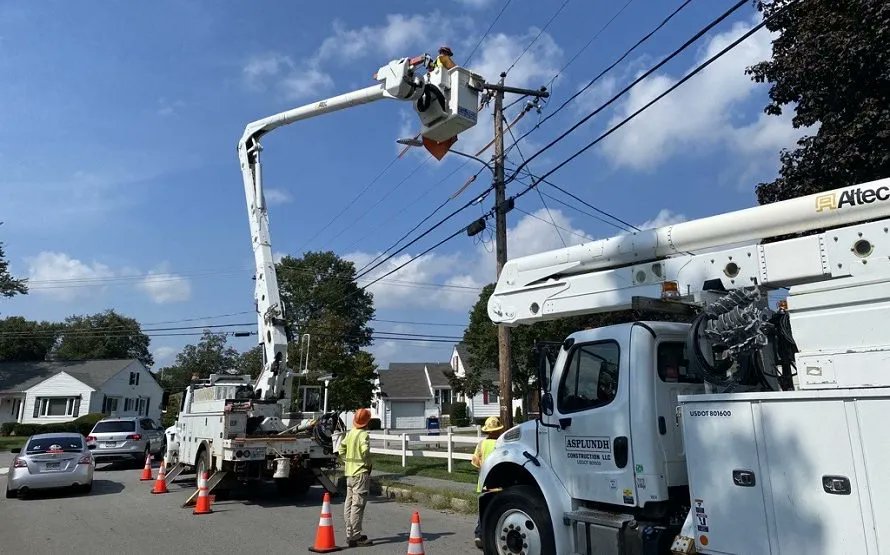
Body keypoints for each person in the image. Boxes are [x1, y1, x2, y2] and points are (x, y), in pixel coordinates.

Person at [339, 408, 373, 547]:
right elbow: (365, 451)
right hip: (360, 473)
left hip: (350, 473)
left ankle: (350, 533)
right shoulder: (363, 435)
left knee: (349, 503)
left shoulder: (350, 433)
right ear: (367, 422)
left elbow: (341, 450)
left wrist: (346, 462)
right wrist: (368, 463)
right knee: (358, 505)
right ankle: (356, 536)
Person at [471, 415, 504, 548]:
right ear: (498, 430)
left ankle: (479, 534)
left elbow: (475, 462)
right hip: (500, 483)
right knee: (498, 510)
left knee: (484, 511)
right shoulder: (501, 444)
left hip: (484, 482)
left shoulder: (482, 444)